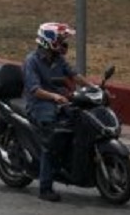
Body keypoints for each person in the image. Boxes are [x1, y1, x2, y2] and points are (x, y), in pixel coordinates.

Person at [22, 21, 94, 202]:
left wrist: (93, 88)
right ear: (49, 41)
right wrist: (54, 97)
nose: (64, 43)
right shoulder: (32, 61)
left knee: (82, 120)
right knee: (51, 142)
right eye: (61, 40)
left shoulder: (58, 60)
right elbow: (34, 90)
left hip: (60, 102)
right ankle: (45, 188)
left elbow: (74, 75)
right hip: (40, 105)